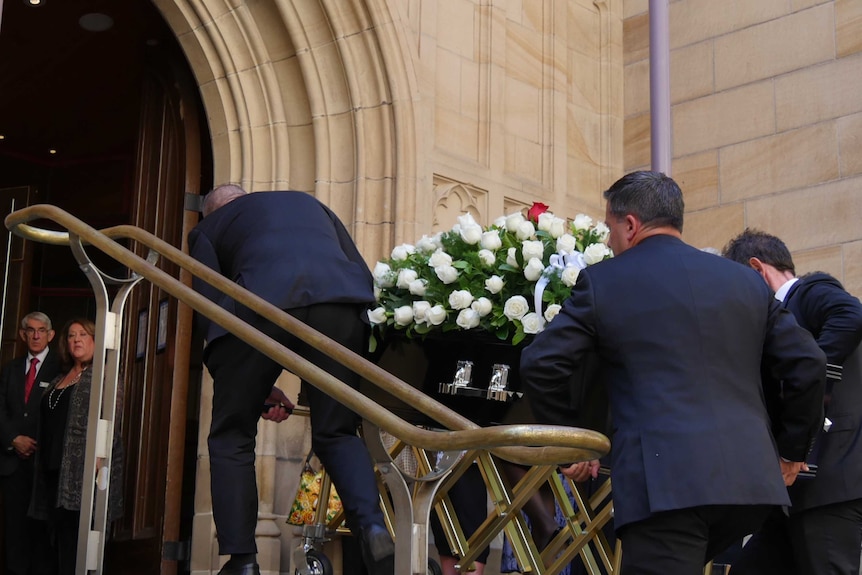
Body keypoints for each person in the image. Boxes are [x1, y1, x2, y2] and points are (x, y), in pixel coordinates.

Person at [519, 171, 827, 575]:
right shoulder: (744, 281)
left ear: (629, 225)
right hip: (750, 483)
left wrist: (574, 440)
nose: (610, 242)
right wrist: (790, 451)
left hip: (666, 484)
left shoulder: (605, 280)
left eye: (610, 229)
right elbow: (809, 362)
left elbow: (541, 363)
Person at [188, 184, 394, 575]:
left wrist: (244, 384)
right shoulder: (309, 204)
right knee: (337, 431)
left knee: (232, 433)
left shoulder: (208, 229)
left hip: (258, 304)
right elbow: (357, 267)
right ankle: (372, 527)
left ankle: (243, 561)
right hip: (341, 301)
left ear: (211, 213)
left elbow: (210, 305)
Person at [723, 228, 862, 575]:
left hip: (828, 485)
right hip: (792, 497)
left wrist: (812, 373)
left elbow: (851, 315)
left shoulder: (809, 290)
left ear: (757, 270)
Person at [29, 318, 124, 575]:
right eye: (71, 335)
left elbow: (111, 421)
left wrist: (99, 461)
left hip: (81, 473)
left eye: (83, 334)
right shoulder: (60, 377)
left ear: (96, 339)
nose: (76, 340)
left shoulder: (104, 374)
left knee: (77, 543)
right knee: (53, 541)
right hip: (52, 470)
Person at [0, 312, 61, 575]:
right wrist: (13, 439)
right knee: (13, 531)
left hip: (42, 464)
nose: (36, 335)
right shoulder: (10, 369)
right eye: (31, 330)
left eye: (41, 330)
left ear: (50, 334)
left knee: (41, 532)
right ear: (23, 335)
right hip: (11, 464)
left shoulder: (61, 368)